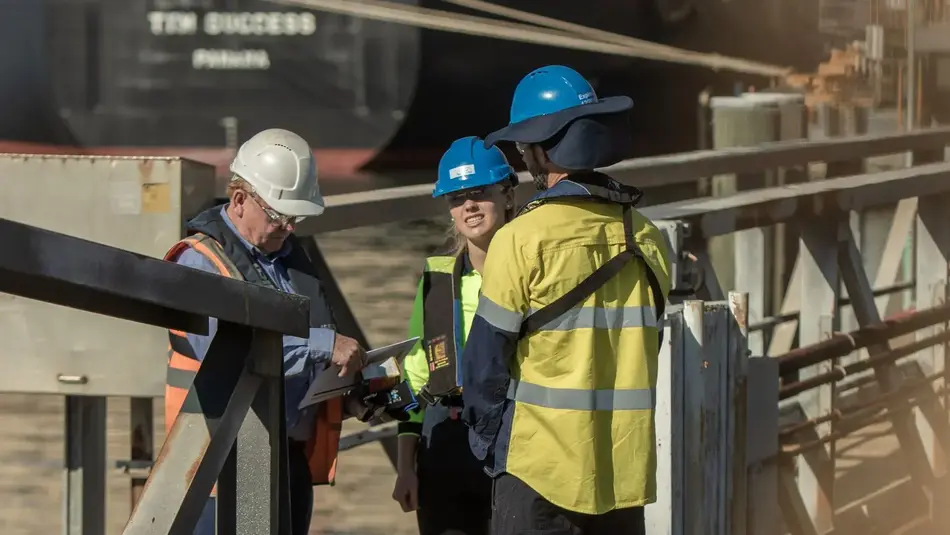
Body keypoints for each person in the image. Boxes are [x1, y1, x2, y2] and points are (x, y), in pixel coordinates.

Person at [460, 65, 674, 535]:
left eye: (523, 148)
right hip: (623, 477)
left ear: (540, 148)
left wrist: (493, 449)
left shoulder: (520, 240)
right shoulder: (650, 238)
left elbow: (483, 369)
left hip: (539, 475)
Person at [162, 128, 369, 535]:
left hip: (286, 461)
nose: (289, 227)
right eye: (279, 215)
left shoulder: (288, 258)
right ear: (240, 200)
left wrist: (351, 392)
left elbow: (310, 352)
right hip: (218, 465)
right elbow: (227, 352)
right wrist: (324, 346)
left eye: (296, 217)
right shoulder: (200, 263)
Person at [390, 136, 518, 535]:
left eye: (479, 192)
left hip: (515, 447)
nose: (469, 206)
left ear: (508, 194)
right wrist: (406, 468)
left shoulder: (533, 274)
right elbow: (414, 375)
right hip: (445, 444)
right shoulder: (438, 281)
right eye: (456, 197)